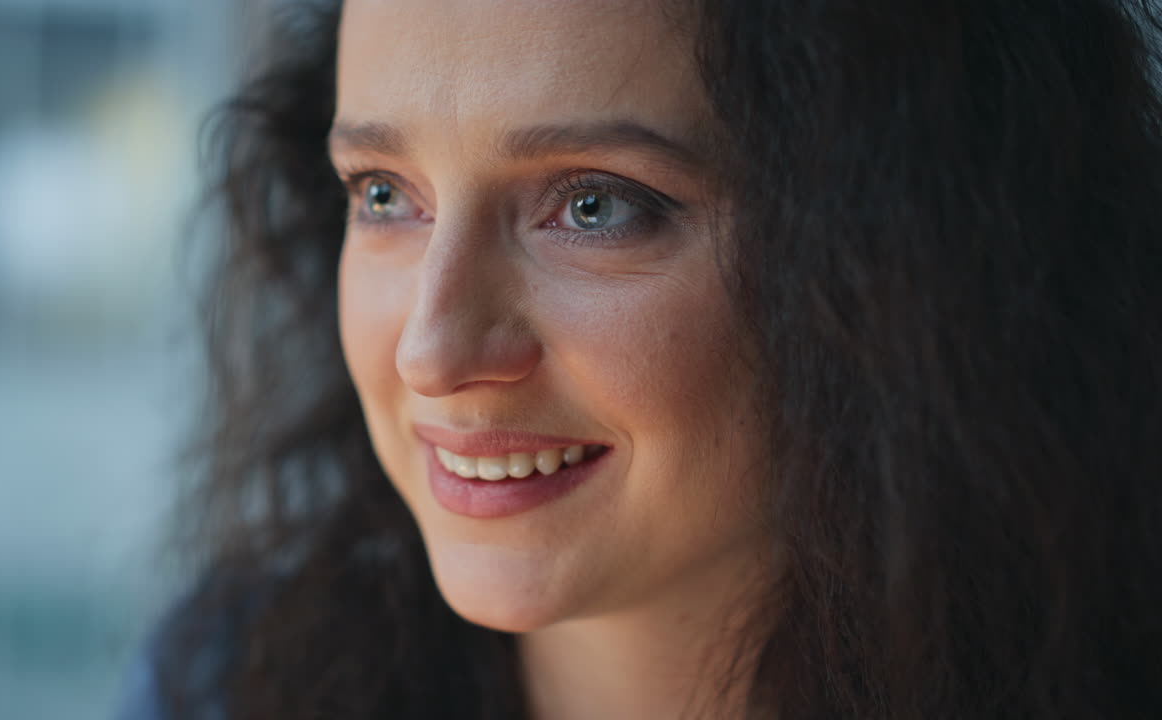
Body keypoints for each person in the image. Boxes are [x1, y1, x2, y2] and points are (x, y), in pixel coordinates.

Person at [121, 1, 1162, 718]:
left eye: (592, 205)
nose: (431, 349)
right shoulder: (224, 681)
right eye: (384, 194)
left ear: (897, 250)